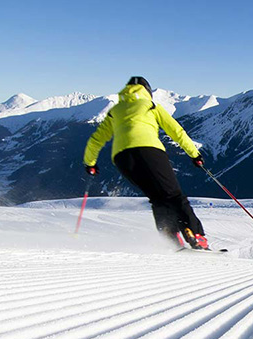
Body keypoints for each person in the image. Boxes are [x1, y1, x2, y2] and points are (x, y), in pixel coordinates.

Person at [83, 76, 210, 250]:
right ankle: (196, 236)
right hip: (150, 151)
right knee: (174, 195)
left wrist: (90, 163)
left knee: (157, 199)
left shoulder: (116, 110)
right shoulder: (151, 106)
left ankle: (170, 239)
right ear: (147, 91)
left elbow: (95, 140)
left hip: (122, 158)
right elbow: (176, 131)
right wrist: (195, 155)